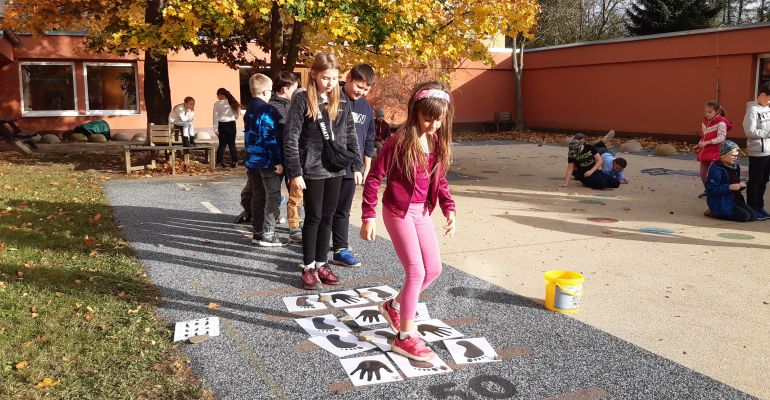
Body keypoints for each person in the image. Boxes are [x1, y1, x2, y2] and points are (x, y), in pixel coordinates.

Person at [361, 81, 456, 361]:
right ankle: (404, 337)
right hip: (398, 212)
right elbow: (374, 178)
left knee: (434, 270)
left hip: (421, 212)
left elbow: (440, 181)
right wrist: (369, 216)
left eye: (439, 119)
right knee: (415, 271)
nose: (434, 124)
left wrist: (449, 207)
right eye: (428, 117)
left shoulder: (436, 141)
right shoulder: (399, 141)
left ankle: (393, 306)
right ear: (415, 112)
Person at [283, 53, 364, 290]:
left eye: (334, 78)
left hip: (336, 168)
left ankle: (321, 263)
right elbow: (291, 138)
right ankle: (308, 267)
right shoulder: (302, 100)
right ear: (315, 75)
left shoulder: (341, 101)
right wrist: (295, 171)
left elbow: (350, 134)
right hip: (312, 168)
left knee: (328, 217)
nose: (330, 83)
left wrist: (357, 165)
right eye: (326, 78)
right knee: (314, 217)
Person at [331, 64, 376, 267]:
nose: (362, 92)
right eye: (359, 86)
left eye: (366, 89)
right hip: (328, 166)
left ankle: (341, 249)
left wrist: (366, 165)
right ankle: (317, 250)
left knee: (343, 210)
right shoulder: (333, 98)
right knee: (324, 210)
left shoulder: (366, 107)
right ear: (348, 78)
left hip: (352, 168)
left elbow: (368, 138)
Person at [243, 73, 286, 246]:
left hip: (252, 160)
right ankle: (269, 233)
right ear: (265, 92)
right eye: (270, 91)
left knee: (258, 195)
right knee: (273, 195)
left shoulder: (249, 109)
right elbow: (269, 137)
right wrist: (277, 160)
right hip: (267, 160)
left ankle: (258, 232)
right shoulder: (268, 110)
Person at [704, 141, 756, 222]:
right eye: (733, 155)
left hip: (734, 198)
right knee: (745, 217)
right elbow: (710, 189)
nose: (735, 158)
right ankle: (714, 212)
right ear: (724, 154)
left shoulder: (735, 167)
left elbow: (735, 184)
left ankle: (726, 211)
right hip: (722, 201)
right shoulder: (716, 168)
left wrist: (740, 185)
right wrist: (729, 187)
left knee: (753, 216)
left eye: (736, 156)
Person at [744, 82, 770, 220]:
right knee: (755, 180)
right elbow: (749, 131)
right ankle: (752, 208)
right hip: (757, 151)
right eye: (769, 98)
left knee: (764, 180)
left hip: (768, 150)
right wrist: (767, 133)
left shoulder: (767, 108)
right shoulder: (752, 110)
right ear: (763, 95)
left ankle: (760, 206)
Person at [697, 100, 733, 198]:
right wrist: (700, 142)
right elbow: (705, 136)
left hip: (716, 151)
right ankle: (708, 189)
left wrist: (707, 142)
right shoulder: (705, 122)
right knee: (702, 173)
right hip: (706, 149)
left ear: (717, 111)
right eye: (706, 111)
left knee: (714, 173)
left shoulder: (721, 123)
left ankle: (716, 191)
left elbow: (721, 138)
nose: (707, 114)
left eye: (710, 112)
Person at [213, 88, 241, 167]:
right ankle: (235, 161)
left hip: (221, 125)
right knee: (232, 144)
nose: (217, 97)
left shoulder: (217, 104)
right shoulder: (232, 102)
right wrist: (233, 118)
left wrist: (215, 128)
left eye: (217, 95)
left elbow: (215, 117)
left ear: (220, 95)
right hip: (232, 124)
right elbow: (237, 114)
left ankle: (219, 162)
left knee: (222, 144)